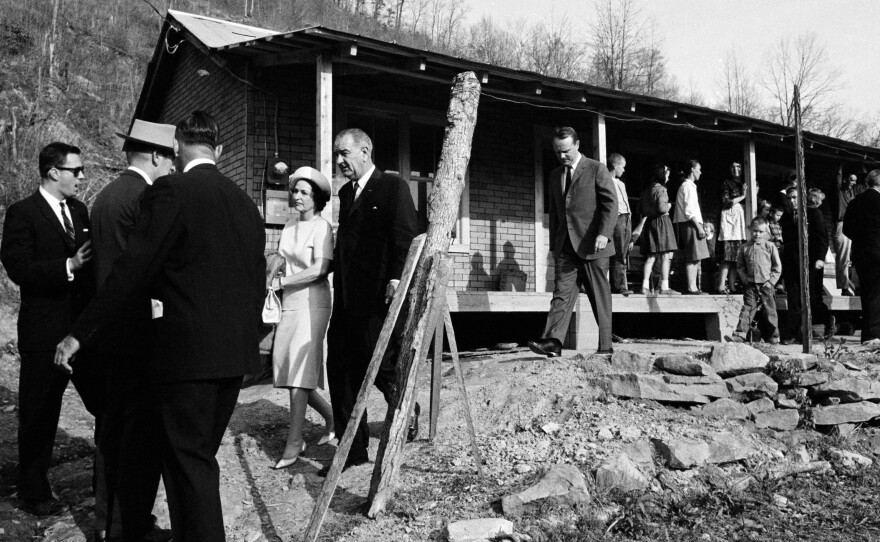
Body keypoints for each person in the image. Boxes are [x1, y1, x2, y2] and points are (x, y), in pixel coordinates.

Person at [54, 111, 266, 542]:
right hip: (236, 357)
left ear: (176, 147)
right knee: (197, 460)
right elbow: (255, 280)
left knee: (189, 464)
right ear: (219, 150)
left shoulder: (171, 190)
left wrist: (81, 331)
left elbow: (132, 270)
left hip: (187, 357)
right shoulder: (244, 202)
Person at [0, 142, 100, 517]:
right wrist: (68, 265)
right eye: (76, 170)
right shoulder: (22, 213)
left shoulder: (80, 210)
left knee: (104, 404)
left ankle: (103, 489)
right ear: (54, 172)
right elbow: (19, 268)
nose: (82, 177)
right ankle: (34, 492)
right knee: (39, 414)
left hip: (82, 333)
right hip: (43, 334)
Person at [89, 120, 176, 542]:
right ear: (157, 156)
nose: (172, 167)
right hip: (136, 331)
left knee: (109, 431)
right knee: (135, 436)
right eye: (171, 158)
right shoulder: (144, 197)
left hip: (106, 331)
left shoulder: (106, 195)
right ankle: (127, 526)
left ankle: (106, 520)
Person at [324, 128, 419, 475]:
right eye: (337, 154)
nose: (339, 161)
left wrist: (396, 280)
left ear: (365, 151)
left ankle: (406, 408)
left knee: (380, 365)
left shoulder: (393, 187)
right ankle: (353, 449)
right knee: (340, 372)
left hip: (378, 299)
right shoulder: (346, 194)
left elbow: (405, 237)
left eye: (344, 153)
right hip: (346, 299)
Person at [267, 166, 335, 469]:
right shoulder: (289, 226)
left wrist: (284, 281)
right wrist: (274, 269)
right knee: (290, 372)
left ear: (316, 198)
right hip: (289, 303)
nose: (297, 196)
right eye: (295, 190)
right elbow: (283, 260)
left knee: (299, 374)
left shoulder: (322, 227)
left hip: (313, 303)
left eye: (304, 192)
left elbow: (321, 269)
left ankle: (295, 441)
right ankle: (331, 416)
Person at [527, 126, 617, 357]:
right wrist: (553, 248)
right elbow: (556, 213)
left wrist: (604, 234)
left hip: (594, 245)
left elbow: (610, 205)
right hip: (566, 247)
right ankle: (553, 343)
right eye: (558, 152)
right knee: (561, 294)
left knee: (599, 296)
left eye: (566, 150)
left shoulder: (597, 169)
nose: (562, 156)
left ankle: (605, 346)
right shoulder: (555, 175)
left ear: (577, 145)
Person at [728, 217, 781, 344]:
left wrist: (771, 282)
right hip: (750, 284)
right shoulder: (744, 248)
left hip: (766, 284)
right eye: (754, 231)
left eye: (760, 231)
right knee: (747, 308)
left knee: (770, 310)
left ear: (766, 232)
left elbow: (777, 266)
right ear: (750, 230)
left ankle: (774, 336)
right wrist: (745, 279)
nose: (757, 234)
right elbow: (740, 266)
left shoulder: (770, 246)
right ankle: (740, 334)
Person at [842, 169, 880, 347]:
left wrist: (862, 238)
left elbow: (846, 229)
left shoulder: (855, 202)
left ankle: (868, 334)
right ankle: (874, 334)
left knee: (866, 292)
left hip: (861, 253)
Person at [633, 163, 678, 295]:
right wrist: (669, 205)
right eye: (667, 175)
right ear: (662, 176)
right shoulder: (661, 190)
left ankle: (644, 286)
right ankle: (664, 287)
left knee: (651, 256)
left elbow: (638, 208)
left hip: (650, 223)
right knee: (665, 256)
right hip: (662, 223)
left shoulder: (647, 190)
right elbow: (662, 208)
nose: (668, 177)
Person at [673, 160, 710, 295]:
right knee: (692, 256)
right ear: (692, 170)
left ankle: (693, 286)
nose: (700, 172)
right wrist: (698, 228)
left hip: (694, 223)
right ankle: (691, 287)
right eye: (698, 169)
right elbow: (689, 211)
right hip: (690, 224)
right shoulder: (687, 187)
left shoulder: (691, 187)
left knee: (696, 256)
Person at [717, 162, 747, 294]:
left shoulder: (744, 183)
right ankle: (721, 286)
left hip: (740, 221)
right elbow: (725, 201)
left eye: (739, 167)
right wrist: (742, 196)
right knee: (727, 256)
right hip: (730, 220)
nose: (736, 169)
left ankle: (732, 286)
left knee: (736, 258)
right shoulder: (727, 183)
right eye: (733, 166)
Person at [831, 173, 864, 296]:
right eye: (851, 180)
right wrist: (840, 167)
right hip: (841, 223)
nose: (853, 183)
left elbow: (865, 183)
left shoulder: (852, 193)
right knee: (843, 257)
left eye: (855, 181)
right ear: (845, 180)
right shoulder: (839, 192)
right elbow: (837, 180)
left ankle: (854, 285)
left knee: (855, 256)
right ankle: (844, 287)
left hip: (852, 224)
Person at [608, 153, 633, 295]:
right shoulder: (606, 181)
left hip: (626, 218)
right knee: (617, 253)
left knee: (622, 253)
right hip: (616, 218)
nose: (623, 170)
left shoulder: (621, 183)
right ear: (615, 166)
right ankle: (618, 285)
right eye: (622, 167)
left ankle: (620, 284)